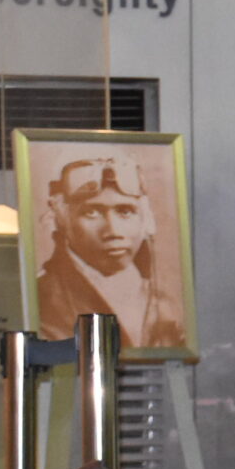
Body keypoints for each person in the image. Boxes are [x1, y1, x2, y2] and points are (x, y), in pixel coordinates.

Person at [34, 149, 186, 350]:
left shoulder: (168, 305)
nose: (113, 231)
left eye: (125, 211)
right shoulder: (41, 301)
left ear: (144, 218)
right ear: (62, 218)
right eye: (91, 212)